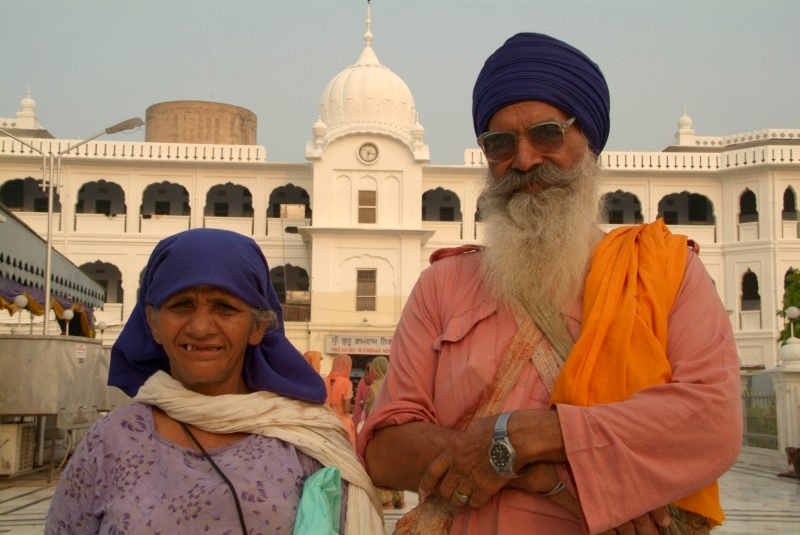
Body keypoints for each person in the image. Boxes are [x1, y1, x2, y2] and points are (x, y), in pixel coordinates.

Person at [359, 32, 742, 535]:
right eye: (500, 143)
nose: (523, 160)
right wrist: (537, 471)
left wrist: (522, 436)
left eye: (547, 134)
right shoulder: (442, 284)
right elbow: (385, 449)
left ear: (589, 142)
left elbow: (711, 423)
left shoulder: (663, 273)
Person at [46, 228, 384, 534]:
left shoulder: (306, 444)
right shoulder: (111, 442)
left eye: (224, 308)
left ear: (257, 327)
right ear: (152, 322)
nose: (201, 327)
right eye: (181, 306)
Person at [362, 356, 405, 510]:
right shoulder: (396, 385)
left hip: (379, 433)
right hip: (396, 431)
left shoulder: (374, 388)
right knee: (396, 466)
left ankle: (385, 500)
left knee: (380, 465)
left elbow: (370, 411)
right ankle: (399, 498)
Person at [325, 353, 358, 447]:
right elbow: (346, 409)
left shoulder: (324, 381)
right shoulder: (346, 383)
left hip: (327, 423)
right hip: (342, 425)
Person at [353, 361, 372, 427]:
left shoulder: (378, 384)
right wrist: (363, 403)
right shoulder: (362, 382)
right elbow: (359, 399)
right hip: (363, 418)